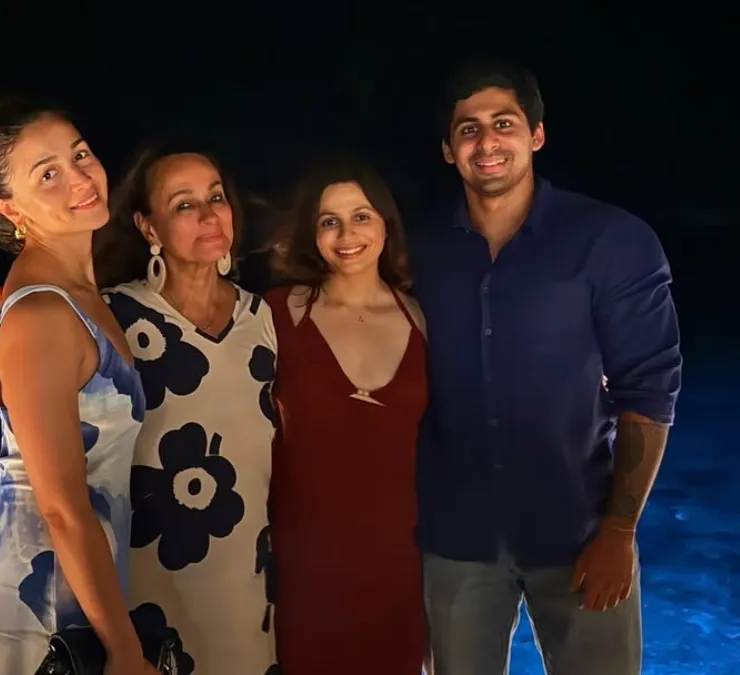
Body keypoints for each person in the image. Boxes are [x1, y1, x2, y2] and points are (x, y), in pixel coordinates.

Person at [409, 60, 683, 674]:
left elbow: (648, 390)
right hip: (455, 538)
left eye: (503, 124)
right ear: (449, 150)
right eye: (468, 129)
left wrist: (618, 531)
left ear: (536, 135)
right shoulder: (419, 250)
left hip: (578, 529)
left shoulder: (612, 240)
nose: (487, 142)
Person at [0, 145, 278, 674]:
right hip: (145, 588)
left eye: (216, 198)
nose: (209, 214)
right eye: (183, 205)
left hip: (250, 581)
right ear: (148, 227)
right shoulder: (115, 318)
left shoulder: (264, 320)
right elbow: (46, 413)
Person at [0, 102, 157, 675]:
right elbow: (61, 508)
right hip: (38, 625)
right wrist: (125, 651)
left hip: (84, 606)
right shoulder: (42, 312)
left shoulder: (82, 296)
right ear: (10, 209)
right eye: (48, 174)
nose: (80, 178)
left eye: (80, 154)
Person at [265, 158, 428, 674]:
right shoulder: (274, 315)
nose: (347, 234)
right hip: (303, 565)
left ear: (386, 224)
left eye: (361, 216)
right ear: (311, 234)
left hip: (399, 564)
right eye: (329, 221)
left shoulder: (421, 319)